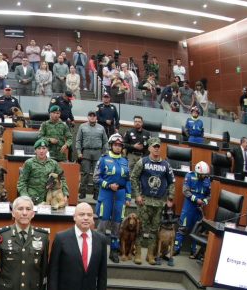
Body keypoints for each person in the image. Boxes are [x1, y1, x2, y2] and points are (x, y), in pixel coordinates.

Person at [130, 137, 175, 265]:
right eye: (154, 146)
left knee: (154, 230)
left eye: (158, 146)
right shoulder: (143, 162)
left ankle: (150, 255)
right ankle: (138, 253)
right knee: (140, 228)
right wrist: (137, 195)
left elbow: (172, 182)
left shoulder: (166, 164)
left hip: (159, 202)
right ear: (149, 148)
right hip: (144, 201)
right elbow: (133, 178)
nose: (156, 149)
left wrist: (170, 198)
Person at [93, 135, 132, 263]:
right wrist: (109, 185)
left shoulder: (125, 161)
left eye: (120, 145)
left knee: (116, 225)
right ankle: (98, 252)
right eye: (115, 144)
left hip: (120, 195)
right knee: (103, 224)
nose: (117, 147)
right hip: (106, 194)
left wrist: (128, 196)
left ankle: (114, 252)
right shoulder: (103, 159)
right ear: (111, 145)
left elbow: (128, 180)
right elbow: (96, 178)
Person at [174, 161, 211, 258]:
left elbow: (209, 195)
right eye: (202, 175)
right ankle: (176, 248)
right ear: (198, 172)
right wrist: (196, 199)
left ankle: (193, 251)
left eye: (205, 175)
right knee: (183, 228)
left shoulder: (207, 180)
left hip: (199, 209)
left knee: (196, 230)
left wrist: (205, 202)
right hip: (189, 207)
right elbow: (185, 191)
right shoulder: (189, 176)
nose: (204, 177)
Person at [17, 139, 69, 205]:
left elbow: (62, 179)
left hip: (50, 198)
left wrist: (65, 194)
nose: (41, 151)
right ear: (35, 150)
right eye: (39, 148)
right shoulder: (29, 163)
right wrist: (25, 197)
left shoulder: (54, 164)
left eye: (44, 148)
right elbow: (22, 182)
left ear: (47, 150)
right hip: (33, 198)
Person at [75, 110, 108, 200]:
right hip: (86, 152)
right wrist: (79, 152)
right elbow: (78, 140)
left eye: (94, 116)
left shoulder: (101, 128)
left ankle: (96, 194)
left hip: (98, 153)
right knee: (85, 173)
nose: (92, 117)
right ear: (88, 117)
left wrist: (105, 153)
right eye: (90, 115)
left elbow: (105, 142)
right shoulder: (82, 126)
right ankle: (82, 193)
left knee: (96, 174)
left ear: (96, 117)